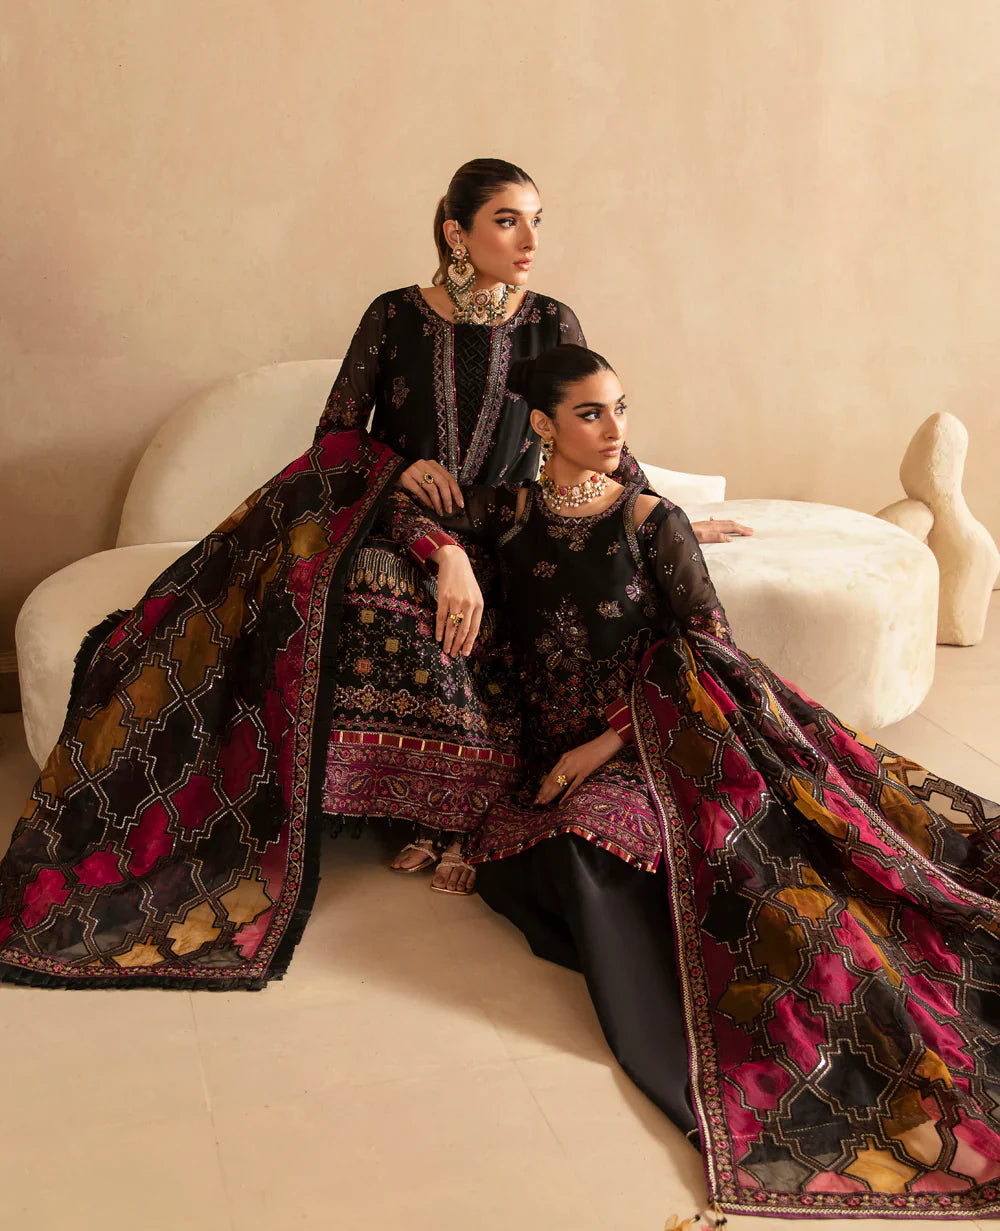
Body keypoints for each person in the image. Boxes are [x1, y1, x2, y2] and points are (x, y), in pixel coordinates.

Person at [404, 343, 1000, 1219]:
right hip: (547, 752)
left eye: (620, 408)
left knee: (652, 858)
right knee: (549, 847)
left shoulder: (652, 521)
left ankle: (697, 1006)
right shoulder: (509, 511)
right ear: (543, 425)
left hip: (659, 737)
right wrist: (446, 553)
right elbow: (398, 510)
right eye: (590, 413)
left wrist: (599, 748)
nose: (614, 429)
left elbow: (704, 650)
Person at [311, 157, 749, 893]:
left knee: (513, 595)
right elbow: (336, 434)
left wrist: (648, 516)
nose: (530, 240)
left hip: (513, 521)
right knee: (382, 586)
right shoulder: (393, 315)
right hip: (403, 517)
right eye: (508, 221)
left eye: (536, 221)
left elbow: (585, 418)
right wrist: (396, 467)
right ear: (458, 233)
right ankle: (422, 803)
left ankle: (469, 809)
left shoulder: (550, 321)